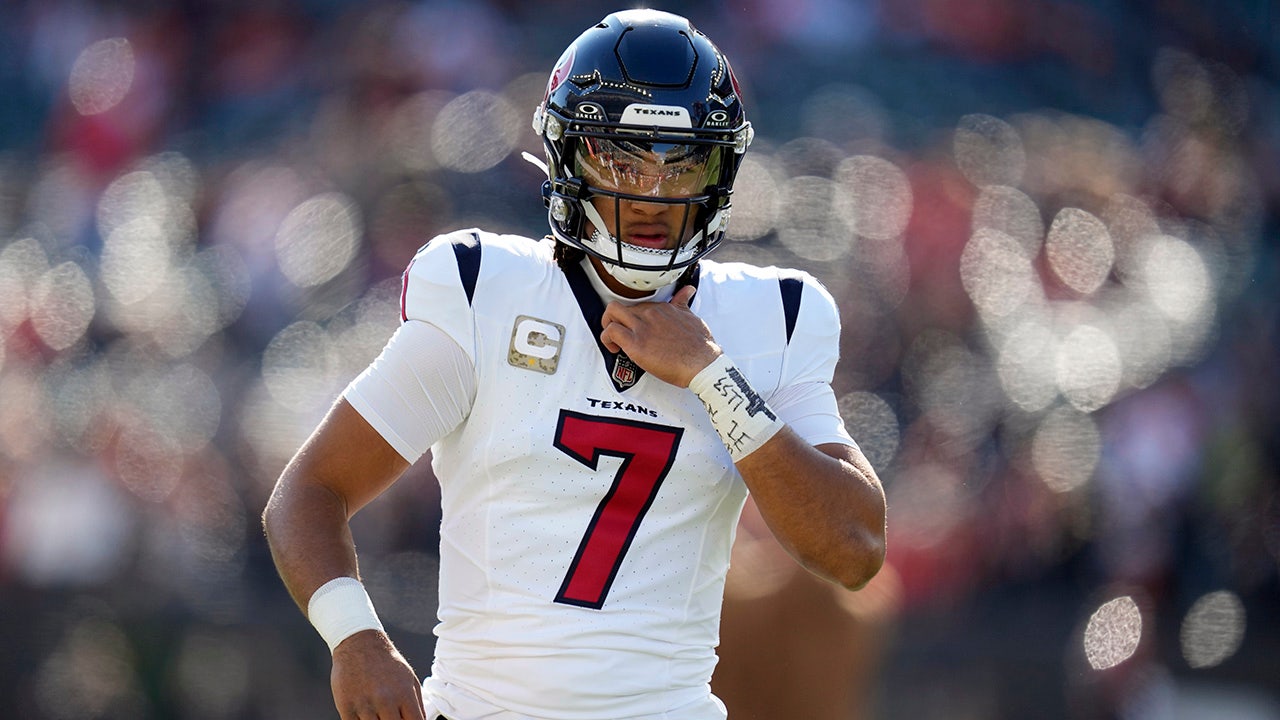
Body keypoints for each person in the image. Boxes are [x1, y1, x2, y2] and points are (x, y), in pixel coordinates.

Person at [262, 9, 887, 720]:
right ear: (568, 158)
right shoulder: (487, 293)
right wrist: (355, 638)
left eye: (683, 163)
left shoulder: (772, 317)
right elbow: (308, 491)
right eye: (622, 160)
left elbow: (854, 549)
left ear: (721, 170)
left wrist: (713, 378)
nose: (653, 192)